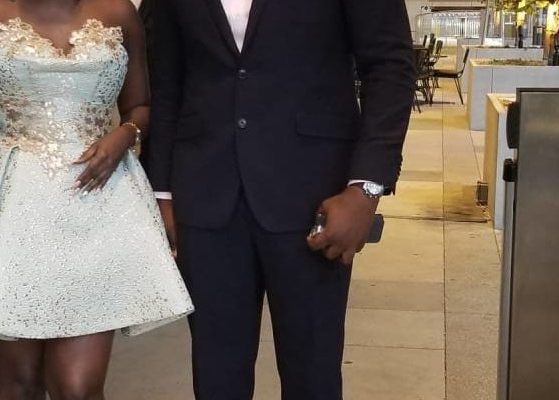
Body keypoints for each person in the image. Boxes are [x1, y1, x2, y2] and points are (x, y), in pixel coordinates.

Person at [0, 0, 193, 399]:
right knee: (20, 384)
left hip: (98, 207)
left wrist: (124, 135)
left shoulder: (118, 11)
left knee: (78, 387)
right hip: (12, 212)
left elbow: (139, 106)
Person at [148, 0, 415, 399]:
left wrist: (366, 187)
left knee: (313, 371)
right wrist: (161, 192)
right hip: (204, 191)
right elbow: (166, 80)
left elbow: (390, 66)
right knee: (216, 373)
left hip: (314, 194)